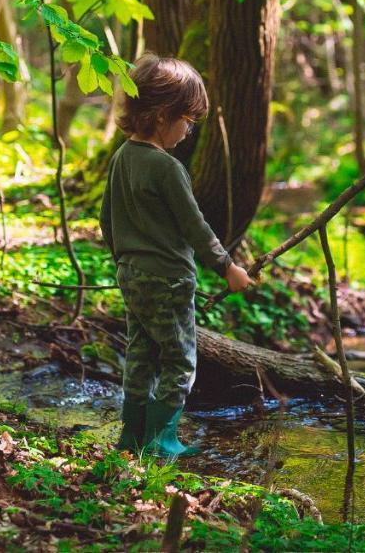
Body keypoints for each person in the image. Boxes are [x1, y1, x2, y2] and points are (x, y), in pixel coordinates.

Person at [100, 54, 253, 458]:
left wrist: (123, 260)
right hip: (168, 278)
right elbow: (194, 226)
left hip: (131, 273)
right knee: (180, 360)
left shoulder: (121, 159)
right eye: (187, 120)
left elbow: (106, 220)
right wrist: (227, 266)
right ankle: (162, 442)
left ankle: (131, 437)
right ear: (163, 115)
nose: (188, 131)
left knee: (141, 352)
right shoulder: (166, 168)